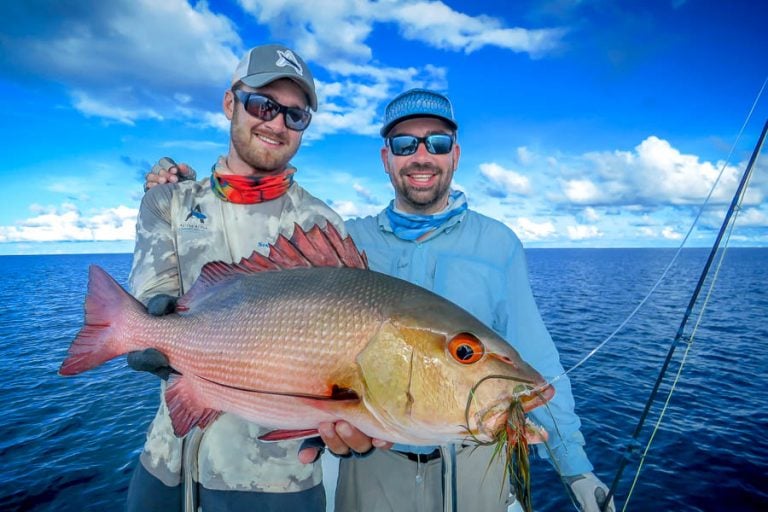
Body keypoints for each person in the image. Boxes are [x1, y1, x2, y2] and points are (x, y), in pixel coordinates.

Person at [144, 89, 615, 512]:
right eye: (406, 145)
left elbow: (537, 356)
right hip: (372, 468)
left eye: (438, 142)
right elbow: (262, 297)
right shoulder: (350, 237)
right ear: (386, 158)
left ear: (456, 155)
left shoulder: (499, 244)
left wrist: (574, 467)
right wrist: (187, 193)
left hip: (474, 468)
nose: (422, 155)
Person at [126, 43, 347, 512]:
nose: (276, 123)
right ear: (230, 103)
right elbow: (151, 294)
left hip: (280, 481)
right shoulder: (168, 201)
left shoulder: (322, 228)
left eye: (295, 115)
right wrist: (150, 320)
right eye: (262, 105)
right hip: (168, 462)